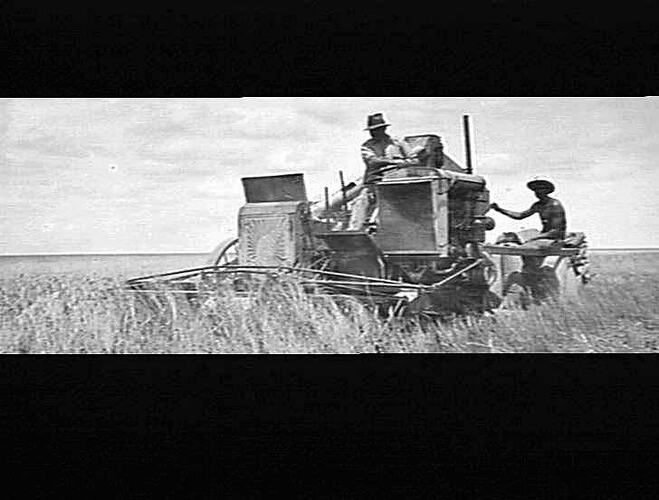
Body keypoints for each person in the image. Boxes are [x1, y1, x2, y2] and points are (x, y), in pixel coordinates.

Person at [347, 113, 415, 231]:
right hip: (375, 181)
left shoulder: (397, 142)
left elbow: (414, 160)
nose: (373, 133)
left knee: (386, 203)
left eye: (376, 130)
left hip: (398, 182)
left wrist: (403, 164)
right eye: (372, 130)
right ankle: (353, 231)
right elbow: (372, 161)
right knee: (360, 201)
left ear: (384, 129)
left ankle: (375, 228)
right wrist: (395, 162)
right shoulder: (367, 146)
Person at [489, 177, 567, 278]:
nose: (538, 192)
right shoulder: (538, 205)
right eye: (535, 190)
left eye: (541, 189)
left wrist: (535, 238)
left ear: (547, 191)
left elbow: (557, 231)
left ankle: (532, 273)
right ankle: (529, 273)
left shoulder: (555, 205)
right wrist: (499, 209)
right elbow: (520, 216)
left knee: (526, 247)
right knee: (510, 238)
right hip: (543, 236)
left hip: (554, 238)